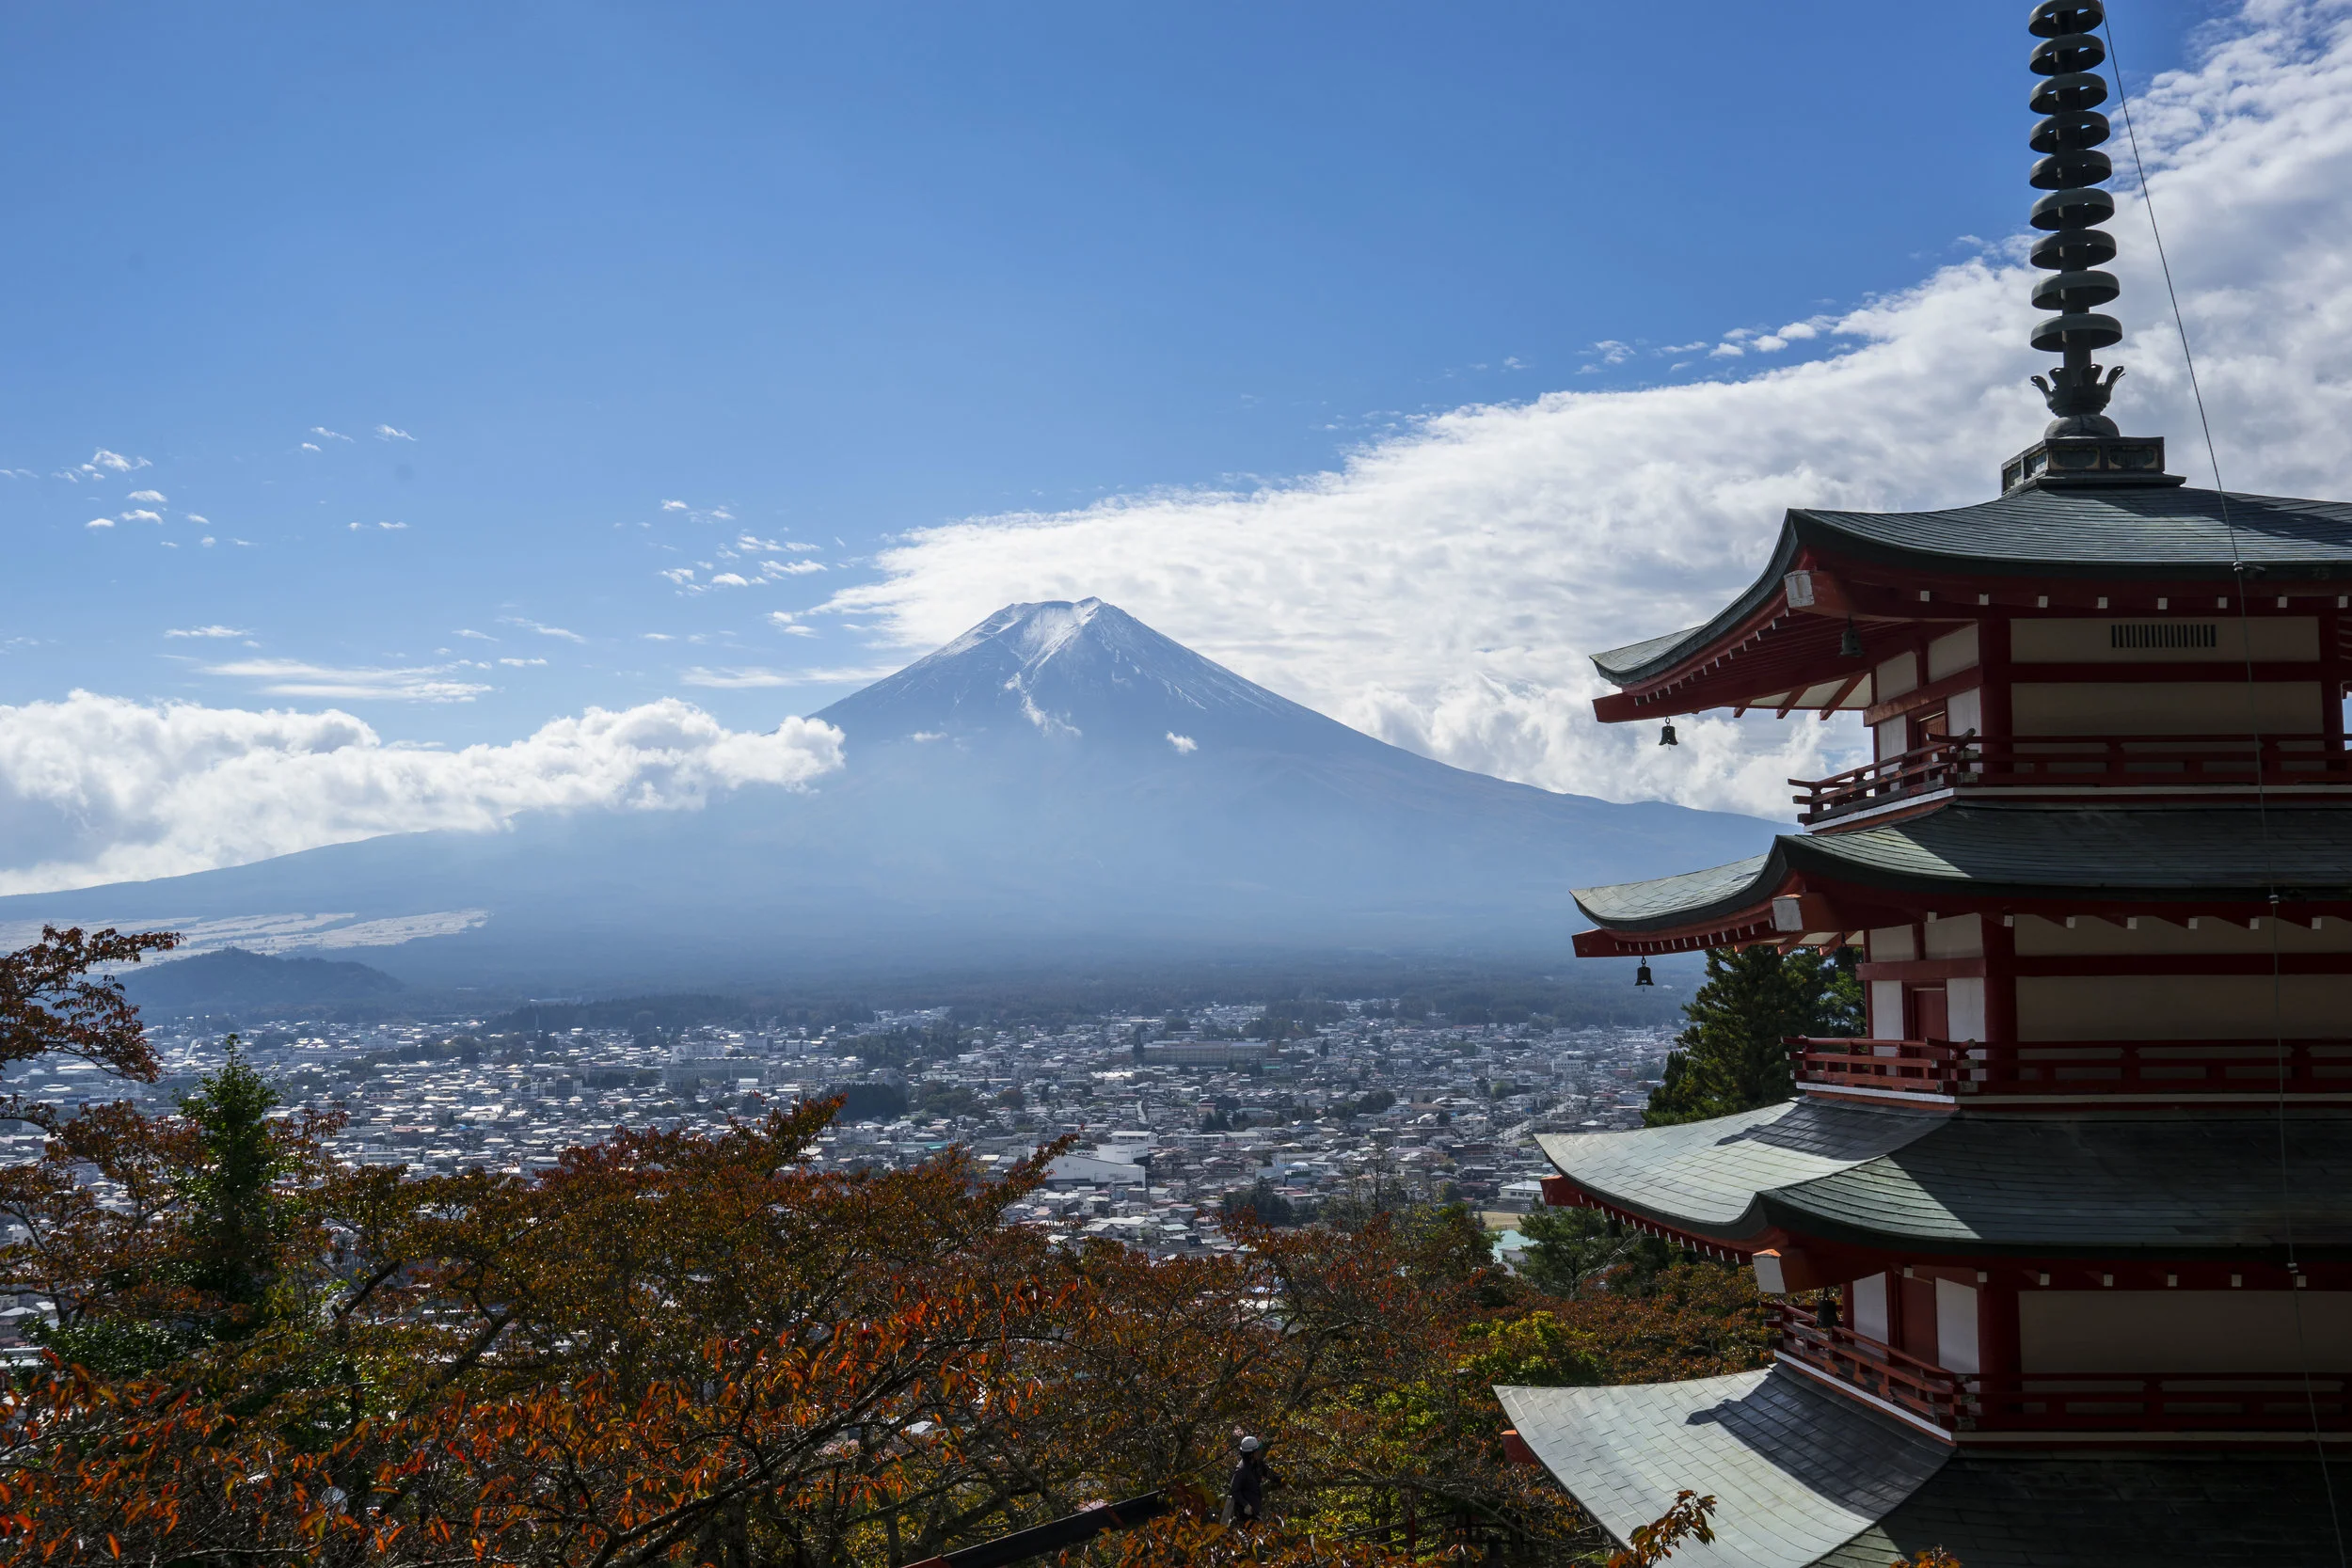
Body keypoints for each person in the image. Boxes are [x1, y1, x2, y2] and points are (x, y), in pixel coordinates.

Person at [1228, 1435, 1277, 1528]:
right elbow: (1234, 1490)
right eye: (1257, 1450)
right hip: (1244, 1516)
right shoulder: (1241, 1470)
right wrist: (1245, 1504)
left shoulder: (1257, 1464)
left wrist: (1283, 1481)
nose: (1259, 1452)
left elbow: (1270, 1474)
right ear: (1251, 1454)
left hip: (1255, 1512)